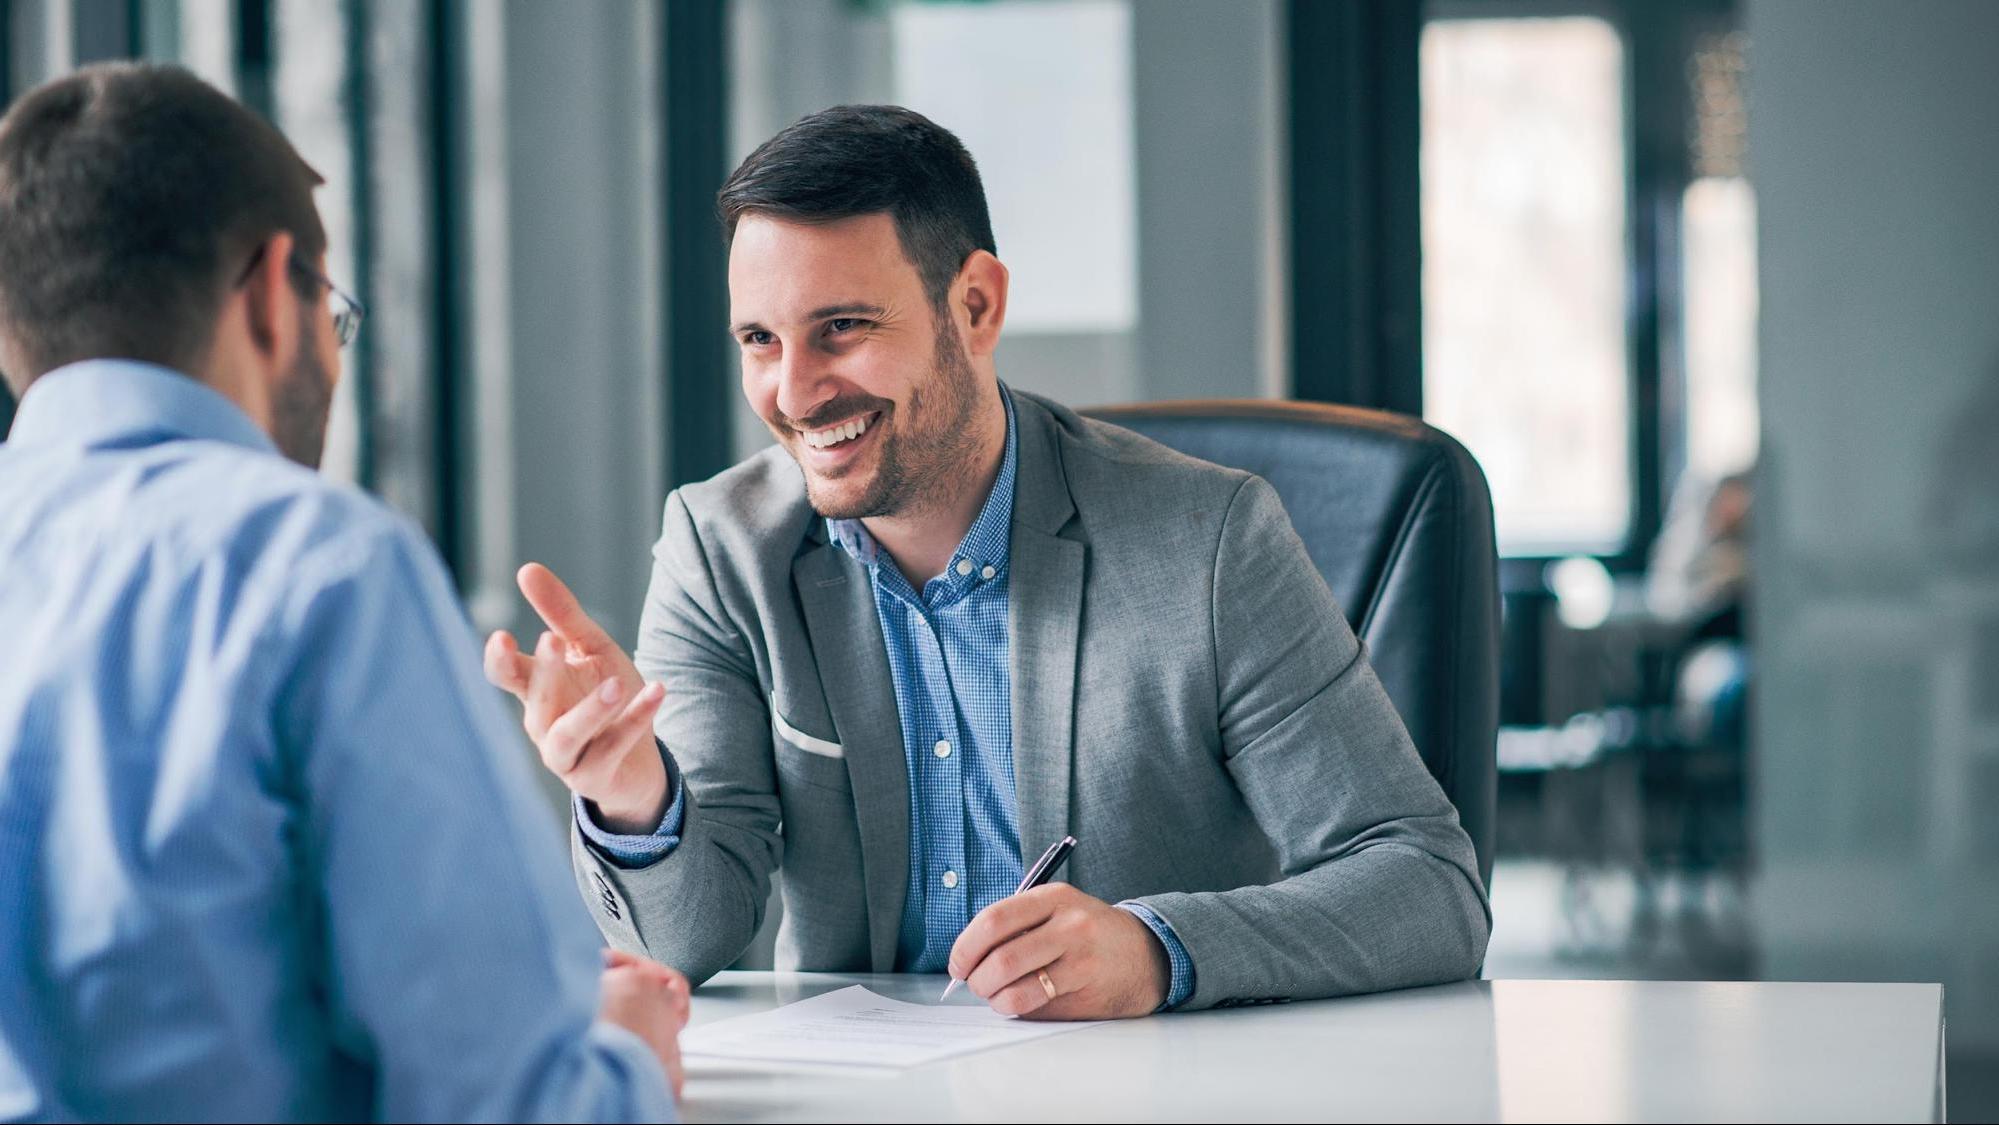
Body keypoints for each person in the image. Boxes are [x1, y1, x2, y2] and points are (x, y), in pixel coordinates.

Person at [486, 105, 1489, 1019]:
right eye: (760, 340)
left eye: (841, 328)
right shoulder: (722, 552)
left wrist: (1156, 950)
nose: (794, 392)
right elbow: (688, 940)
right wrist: (631, 796)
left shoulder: (1211, 539)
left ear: (973, 307)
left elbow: (1427, 886)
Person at [0, 64, 683, 1121]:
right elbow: (508, 1105)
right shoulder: (316, 566)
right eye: (337, 310)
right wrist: (626, 1062)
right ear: (276, 289)